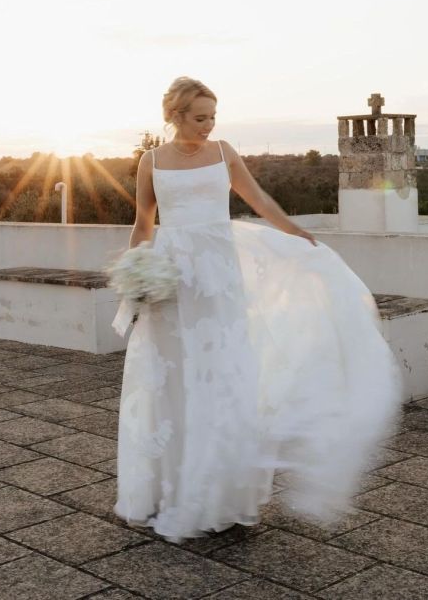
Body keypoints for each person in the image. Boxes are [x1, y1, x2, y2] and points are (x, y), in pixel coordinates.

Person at [112, 76, 401, 542]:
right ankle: (170, 491)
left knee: (222, 376)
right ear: (176, 116)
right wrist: (134, 276)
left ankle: (219, 495)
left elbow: (258, 200)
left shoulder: (224, 153)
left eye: (212, 117)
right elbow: (143, 223)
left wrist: (293, 232)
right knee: (174, 383)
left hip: (219, 279)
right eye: (200, 117)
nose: (209, 125)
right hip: (172, 280)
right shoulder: (151, 162)